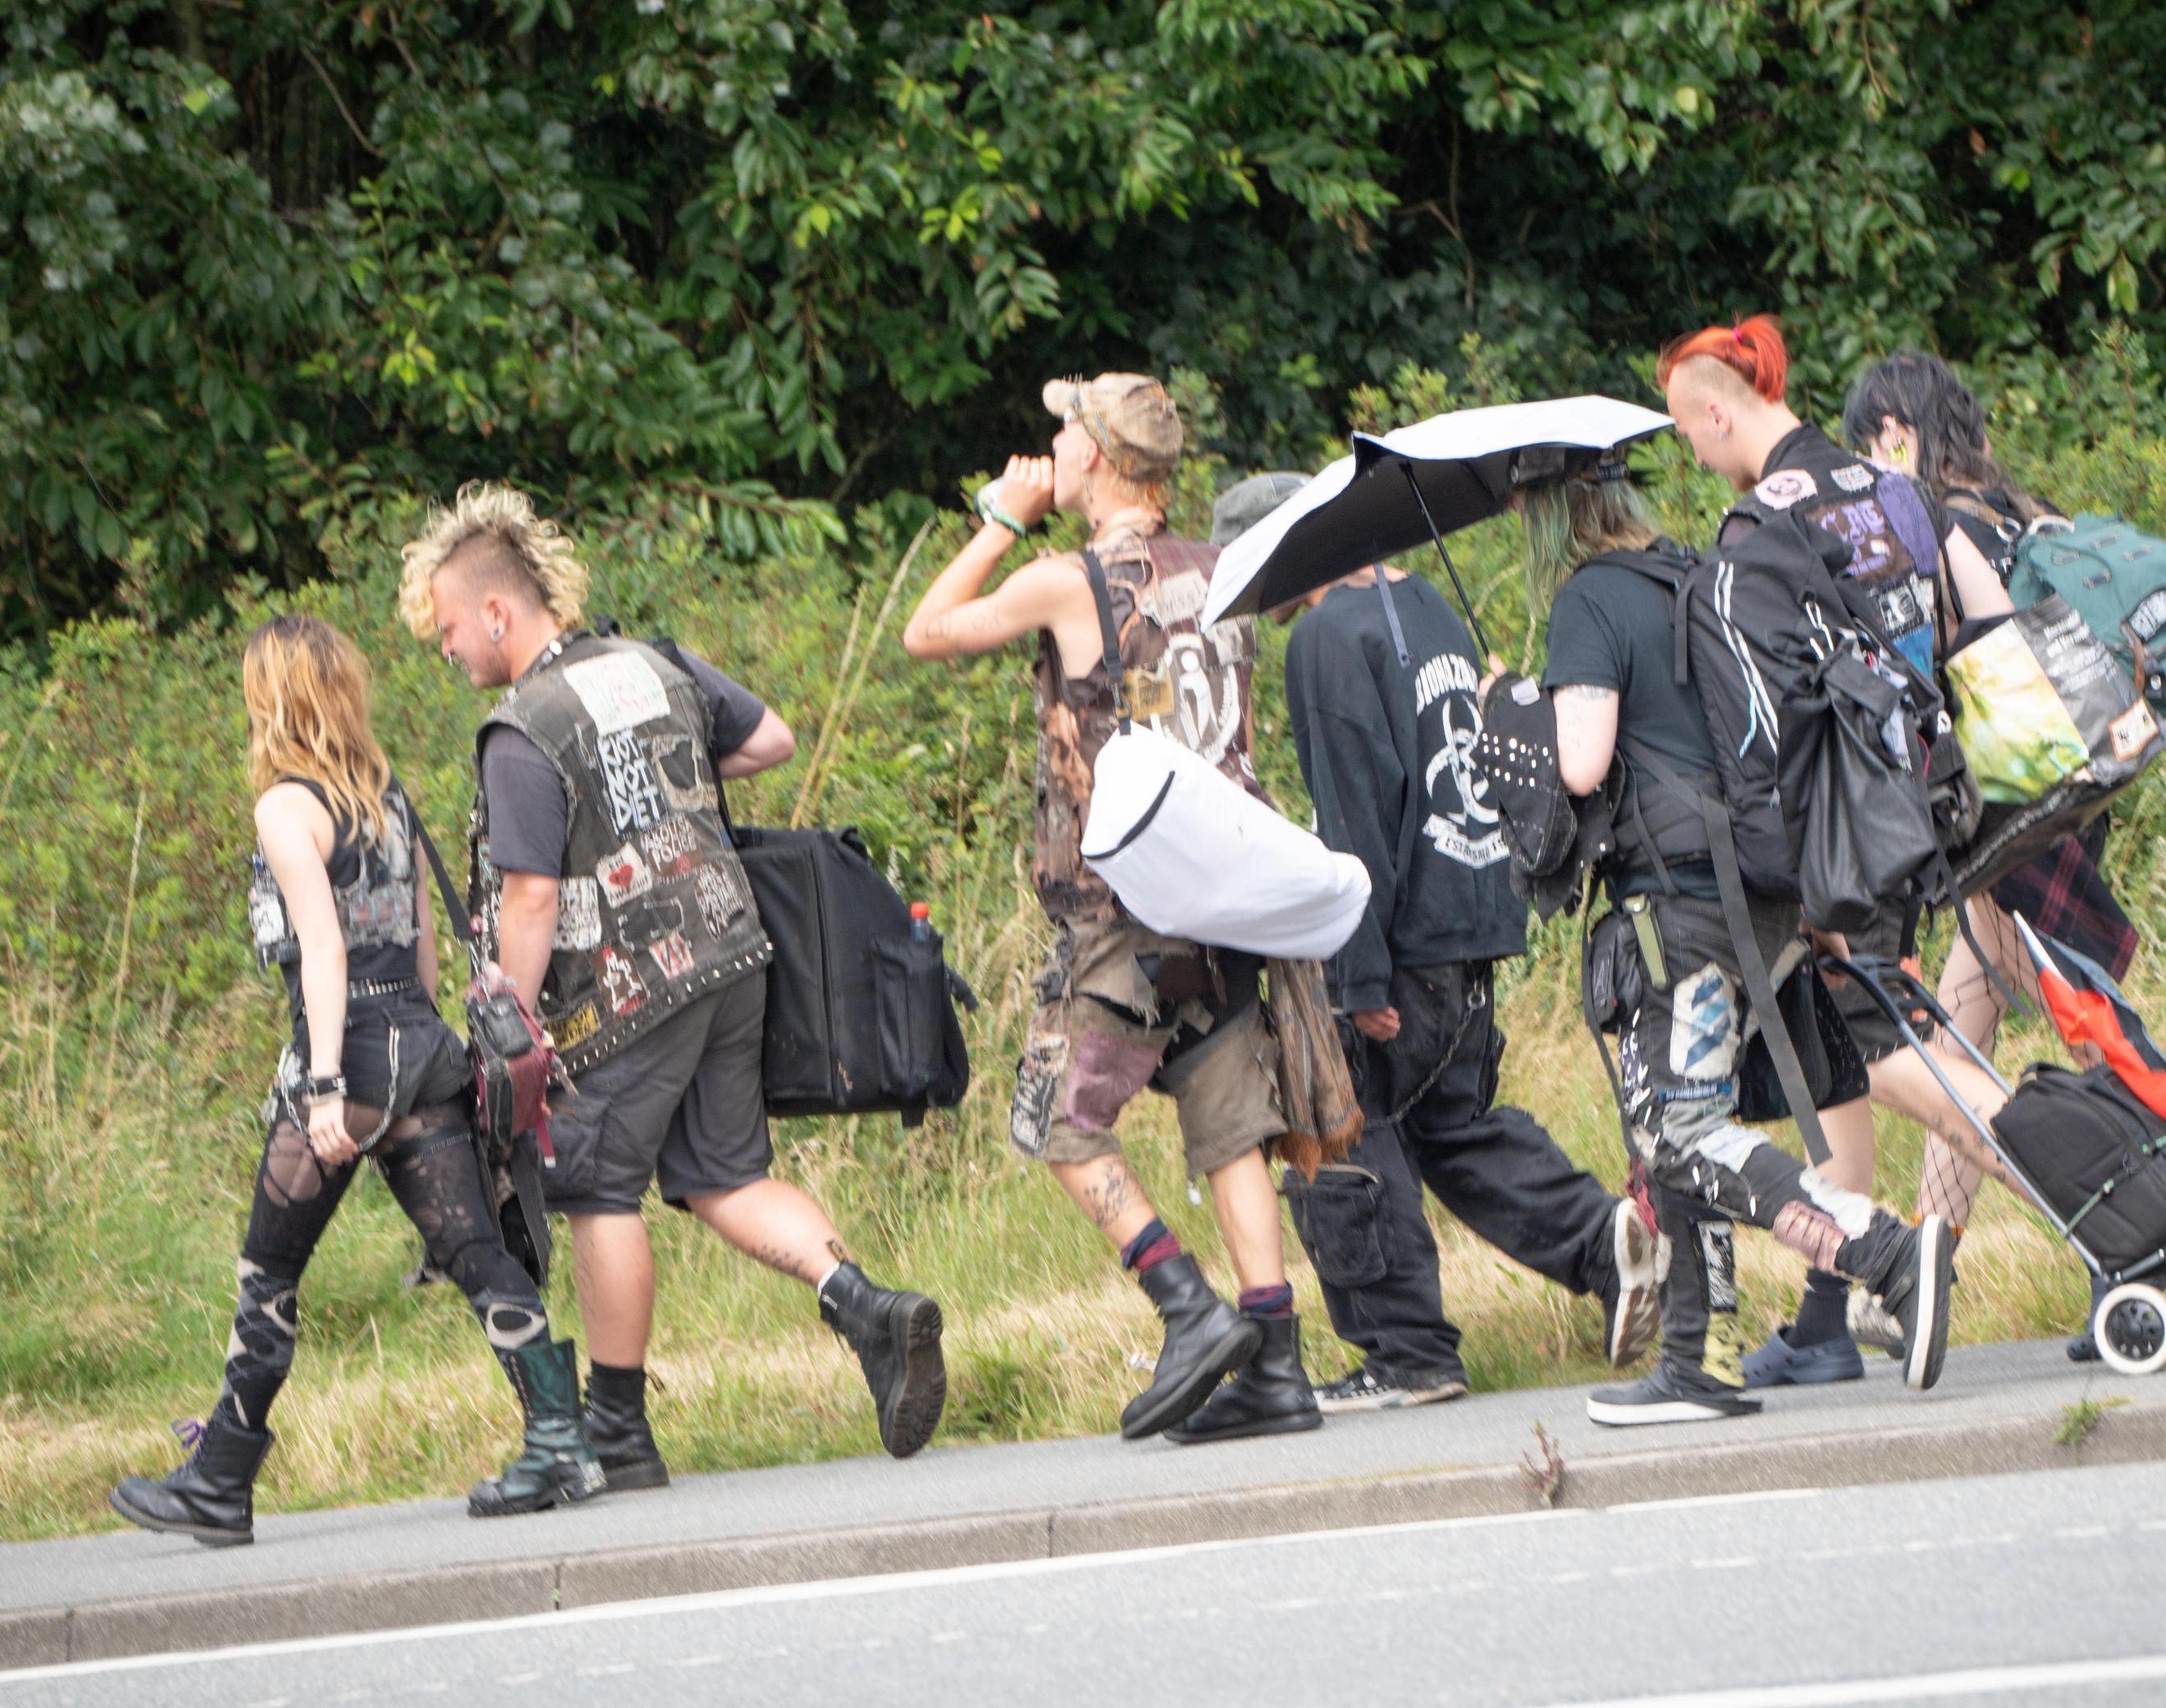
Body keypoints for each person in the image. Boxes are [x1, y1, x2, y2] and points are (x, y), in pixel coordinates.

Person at [399, 483, 946, 1481]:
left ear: (496, 610)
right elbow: (770, 739)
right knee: (720, 1175)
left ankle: (618, 1431)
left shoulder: (521, 730)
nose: (446, 652)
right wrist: (660, 781)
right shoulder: (652, 661)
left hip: (627, 990)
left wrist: (509, 1025)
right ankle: (867, 1306)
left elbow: (527, 899)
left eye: (446, 630)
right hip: (733, 955)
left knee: (597, 1187)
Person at [1502, 321, 1957, 1427]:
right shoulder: (1689, 567)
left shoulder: (1587, 602)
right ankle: (1694, 1365)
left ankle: (1888, 1255)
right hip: (1761, 885)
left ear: (1544, 519)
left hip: (1683, 904)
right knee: (1674, 1124)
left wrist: (1504, 710)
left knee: (1687, 1129)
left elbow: (1581, 761)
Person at [1837, 351, 2166, 1362]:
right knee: (1959, 1049)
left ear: (1894, 433)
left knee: (2087, 1017)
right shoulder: (2019, 507)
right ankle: (1929, 1270)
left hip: (2010, 808)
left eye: (1870, 440)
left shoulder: (1944, 526)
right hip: (2068, 789)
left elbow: (1966, 662)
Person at [110, 615, 600, 1546]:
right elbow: (418, 942)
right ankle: (559, 1440)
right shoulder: (387, 797)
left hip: (348, 1056)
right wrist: (420, 1050)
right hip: (420, 1050)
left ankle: (220, 1483)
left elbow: (324, 949)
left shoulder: (285, 808)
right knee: (474, 1252)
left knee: (270, 1274)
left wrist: (327, 1087)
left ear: (274, 700)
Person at [899, 376, 1321, 1445]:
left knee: (1058, 1122)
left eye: (1063, 432)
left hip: (1120, 907)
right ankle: (1279, 1368)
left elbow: (926, 632)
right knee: (1232, 1130)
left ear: (1095, 457)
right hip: (1224, 892)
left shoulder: (1068, 580)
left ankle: (1187, 1309)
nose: (1050, 442)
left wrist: (1002, 519)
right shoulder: (1218, 570)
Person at [1226, 468, 1664, 1413]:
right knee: (1455, 1129)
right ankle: (1605, 1242)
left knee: (1340, 1132)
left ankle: (1407, 1349)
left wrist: (1357, 969)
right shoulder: (1422, 605)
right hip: (1474, 915)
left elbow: (1357, 811)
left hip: (1398, 933)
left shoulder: (1323, 639)